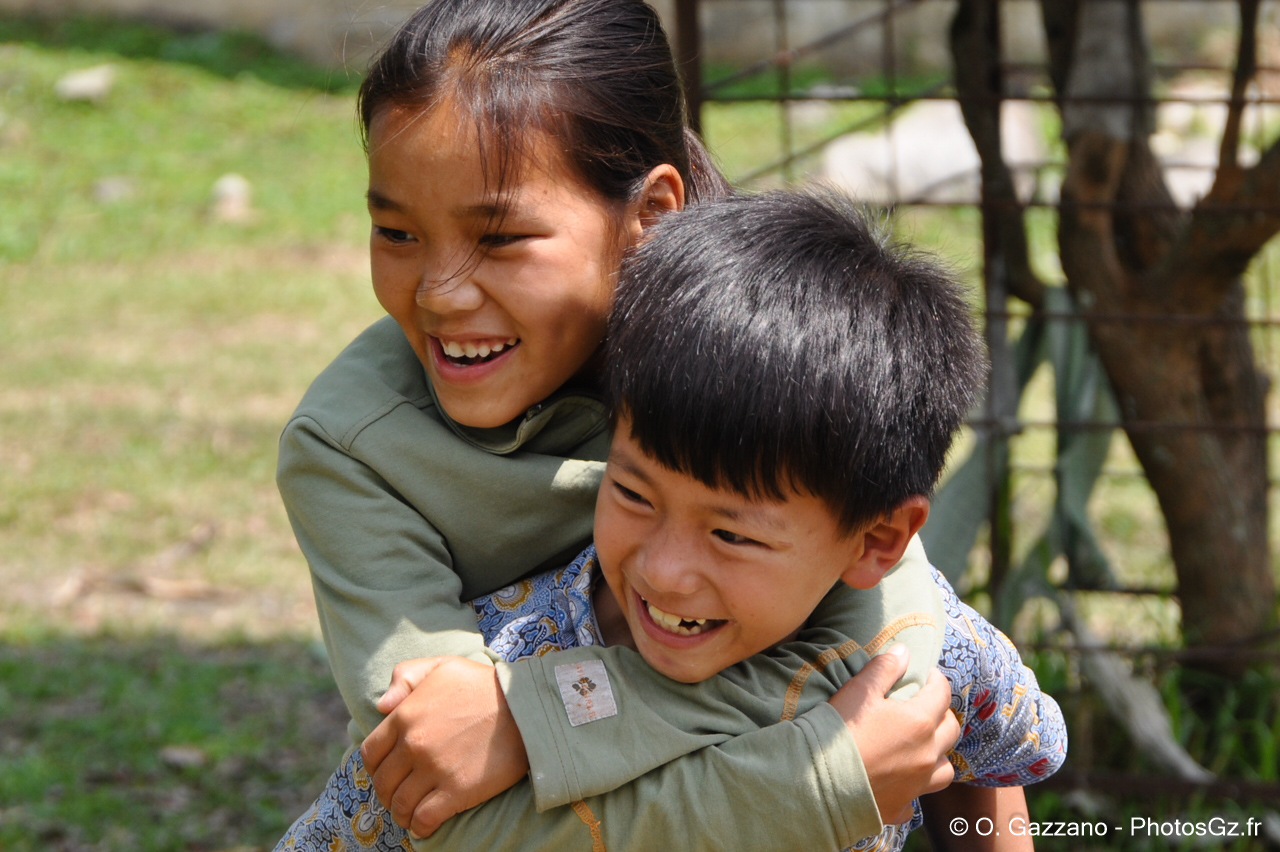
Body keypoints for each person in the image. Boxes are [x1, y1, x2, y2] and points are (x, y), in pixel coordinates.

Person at [275, 0, 958, 848]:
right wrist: (801, 786)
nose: (440, 292)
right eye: (395, 231)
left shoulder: (756, 363)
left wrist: (536, 720)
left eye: (500, 237)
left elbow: (905, 663)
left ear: (650, 217)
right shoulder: (352, 449)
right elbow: (442, 795)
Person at [277, 190, 1067, 852]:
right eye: (632, 494)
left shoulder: (925, 651)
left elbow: (999, 759)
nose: (662, 569)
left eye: (730, 534)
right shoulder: (504, 676)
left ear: (878, 541)